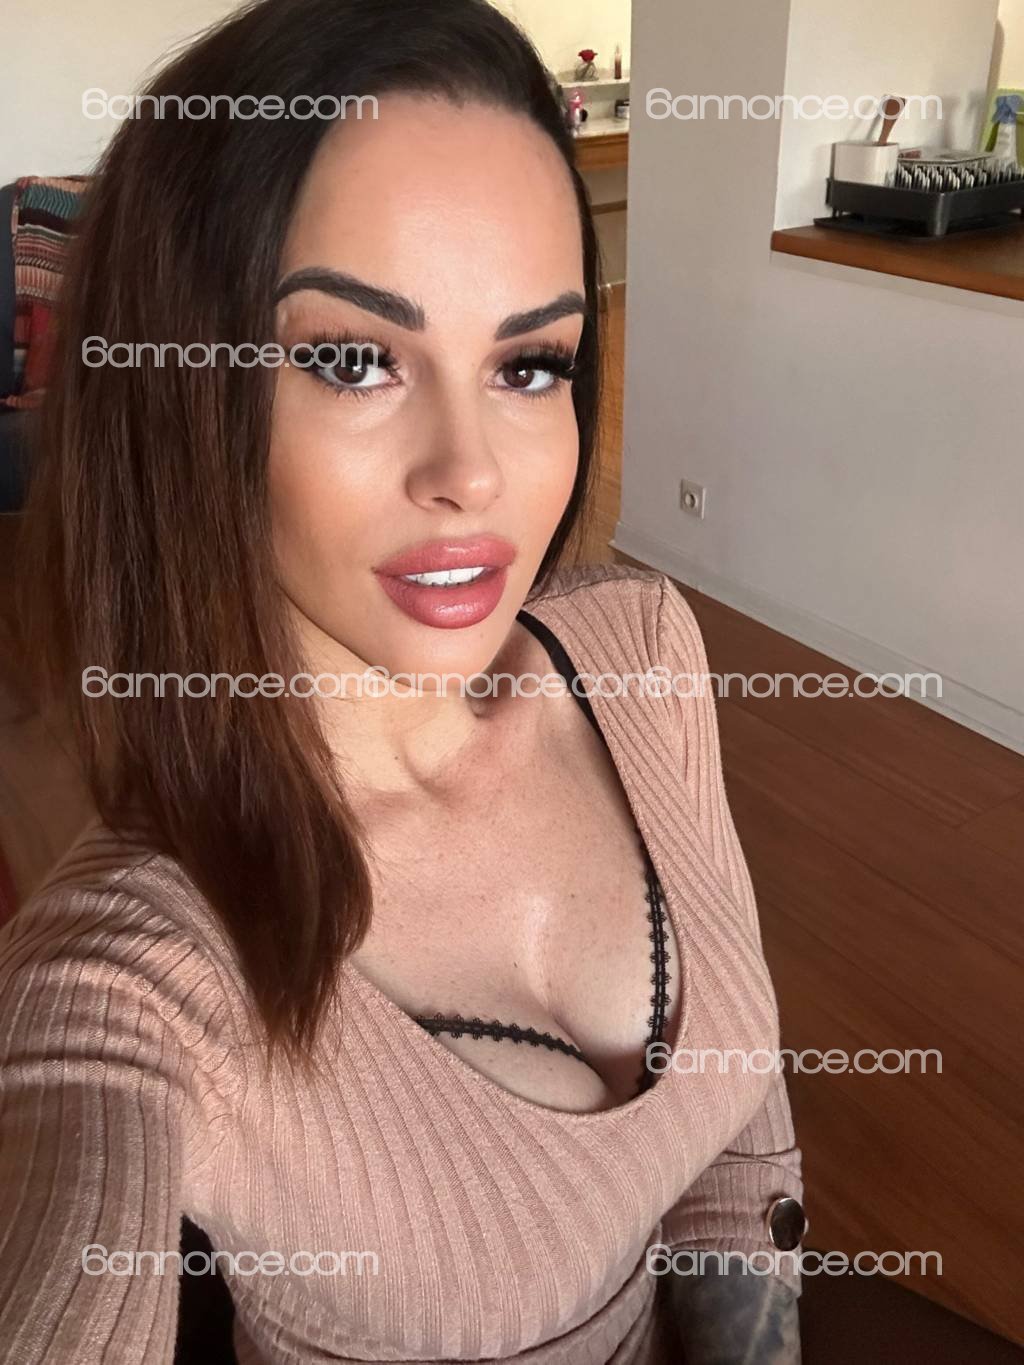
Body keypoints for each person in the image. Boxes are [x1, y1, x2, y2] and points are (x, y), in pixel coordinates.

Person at [0, 1, 804, 1360]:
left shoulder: (644, 653)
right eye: (354, 358)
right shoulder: (124, 987)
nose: (472, 474)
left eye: (530, 364)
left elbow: (743, 1148)